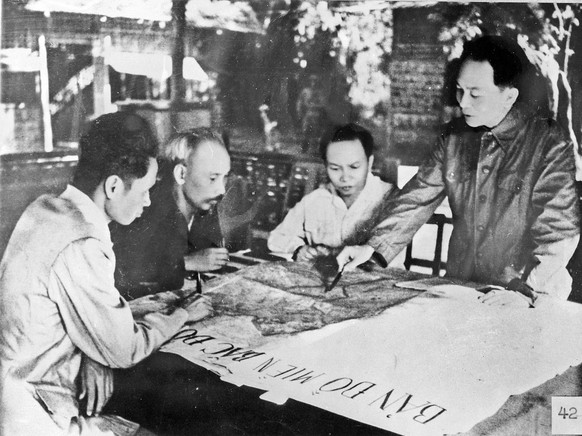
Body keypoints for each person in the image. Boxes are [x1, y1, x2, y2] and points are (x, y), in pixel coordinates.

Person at [0, 112, 211, 435]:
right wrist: (181, 314)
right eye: (144, 190)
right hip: (35, 418)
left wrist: (92, 354)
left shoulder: (44, 209)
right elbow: (123, 349)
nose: (148, 201)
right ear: (113, 186)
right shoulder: (84, 240)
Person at [337, 35, 580, 307]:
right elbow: (416, 198)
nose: (463, 103)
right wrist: (371, 246)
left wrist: (527, 295)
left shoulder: (547, 143)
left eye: (475, 94)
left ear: (509, 96)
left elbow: (557, 234)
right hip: (461, 286)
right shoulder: (454, 137)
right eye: (459, 90)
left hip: (525, 295)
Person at [110, 127, 232, 299]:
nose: (222, 189)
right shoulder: (144, 208)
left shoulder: (205, 204)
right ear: (181, 173)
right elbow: (123, 271)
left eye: (224, 177)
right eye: (213, 178)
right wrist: (187, 263)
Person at [268, 123, 397, 261]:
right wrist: (299, 249)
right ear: (325, 166)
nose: (345, 177)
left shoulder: (392, 199)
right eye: (335, 168)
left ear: (369, 163)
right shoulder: (316, 199)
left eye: (354, 167)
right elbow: (276, 238)